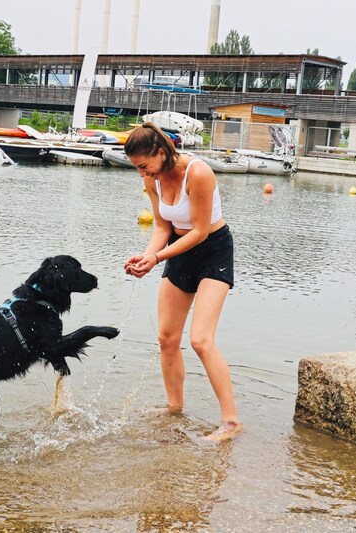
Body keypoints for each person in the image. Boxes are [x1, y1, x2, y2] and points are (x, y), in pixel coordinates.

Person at [123, 122, 242, 442]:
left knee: (201, 340)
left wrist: (158, 259)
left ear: (161, 153)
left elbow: (201, 231)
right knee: (166, 338)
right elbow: (163, 227)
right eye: (137, 169)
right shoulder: (153, 180)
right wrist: (146, 256)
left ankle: (231, 422)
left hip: (213, 250)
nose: (142, 175)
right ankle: (174, 407)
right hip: (179, 251)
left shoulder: (199, 173)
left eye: (145, 166)